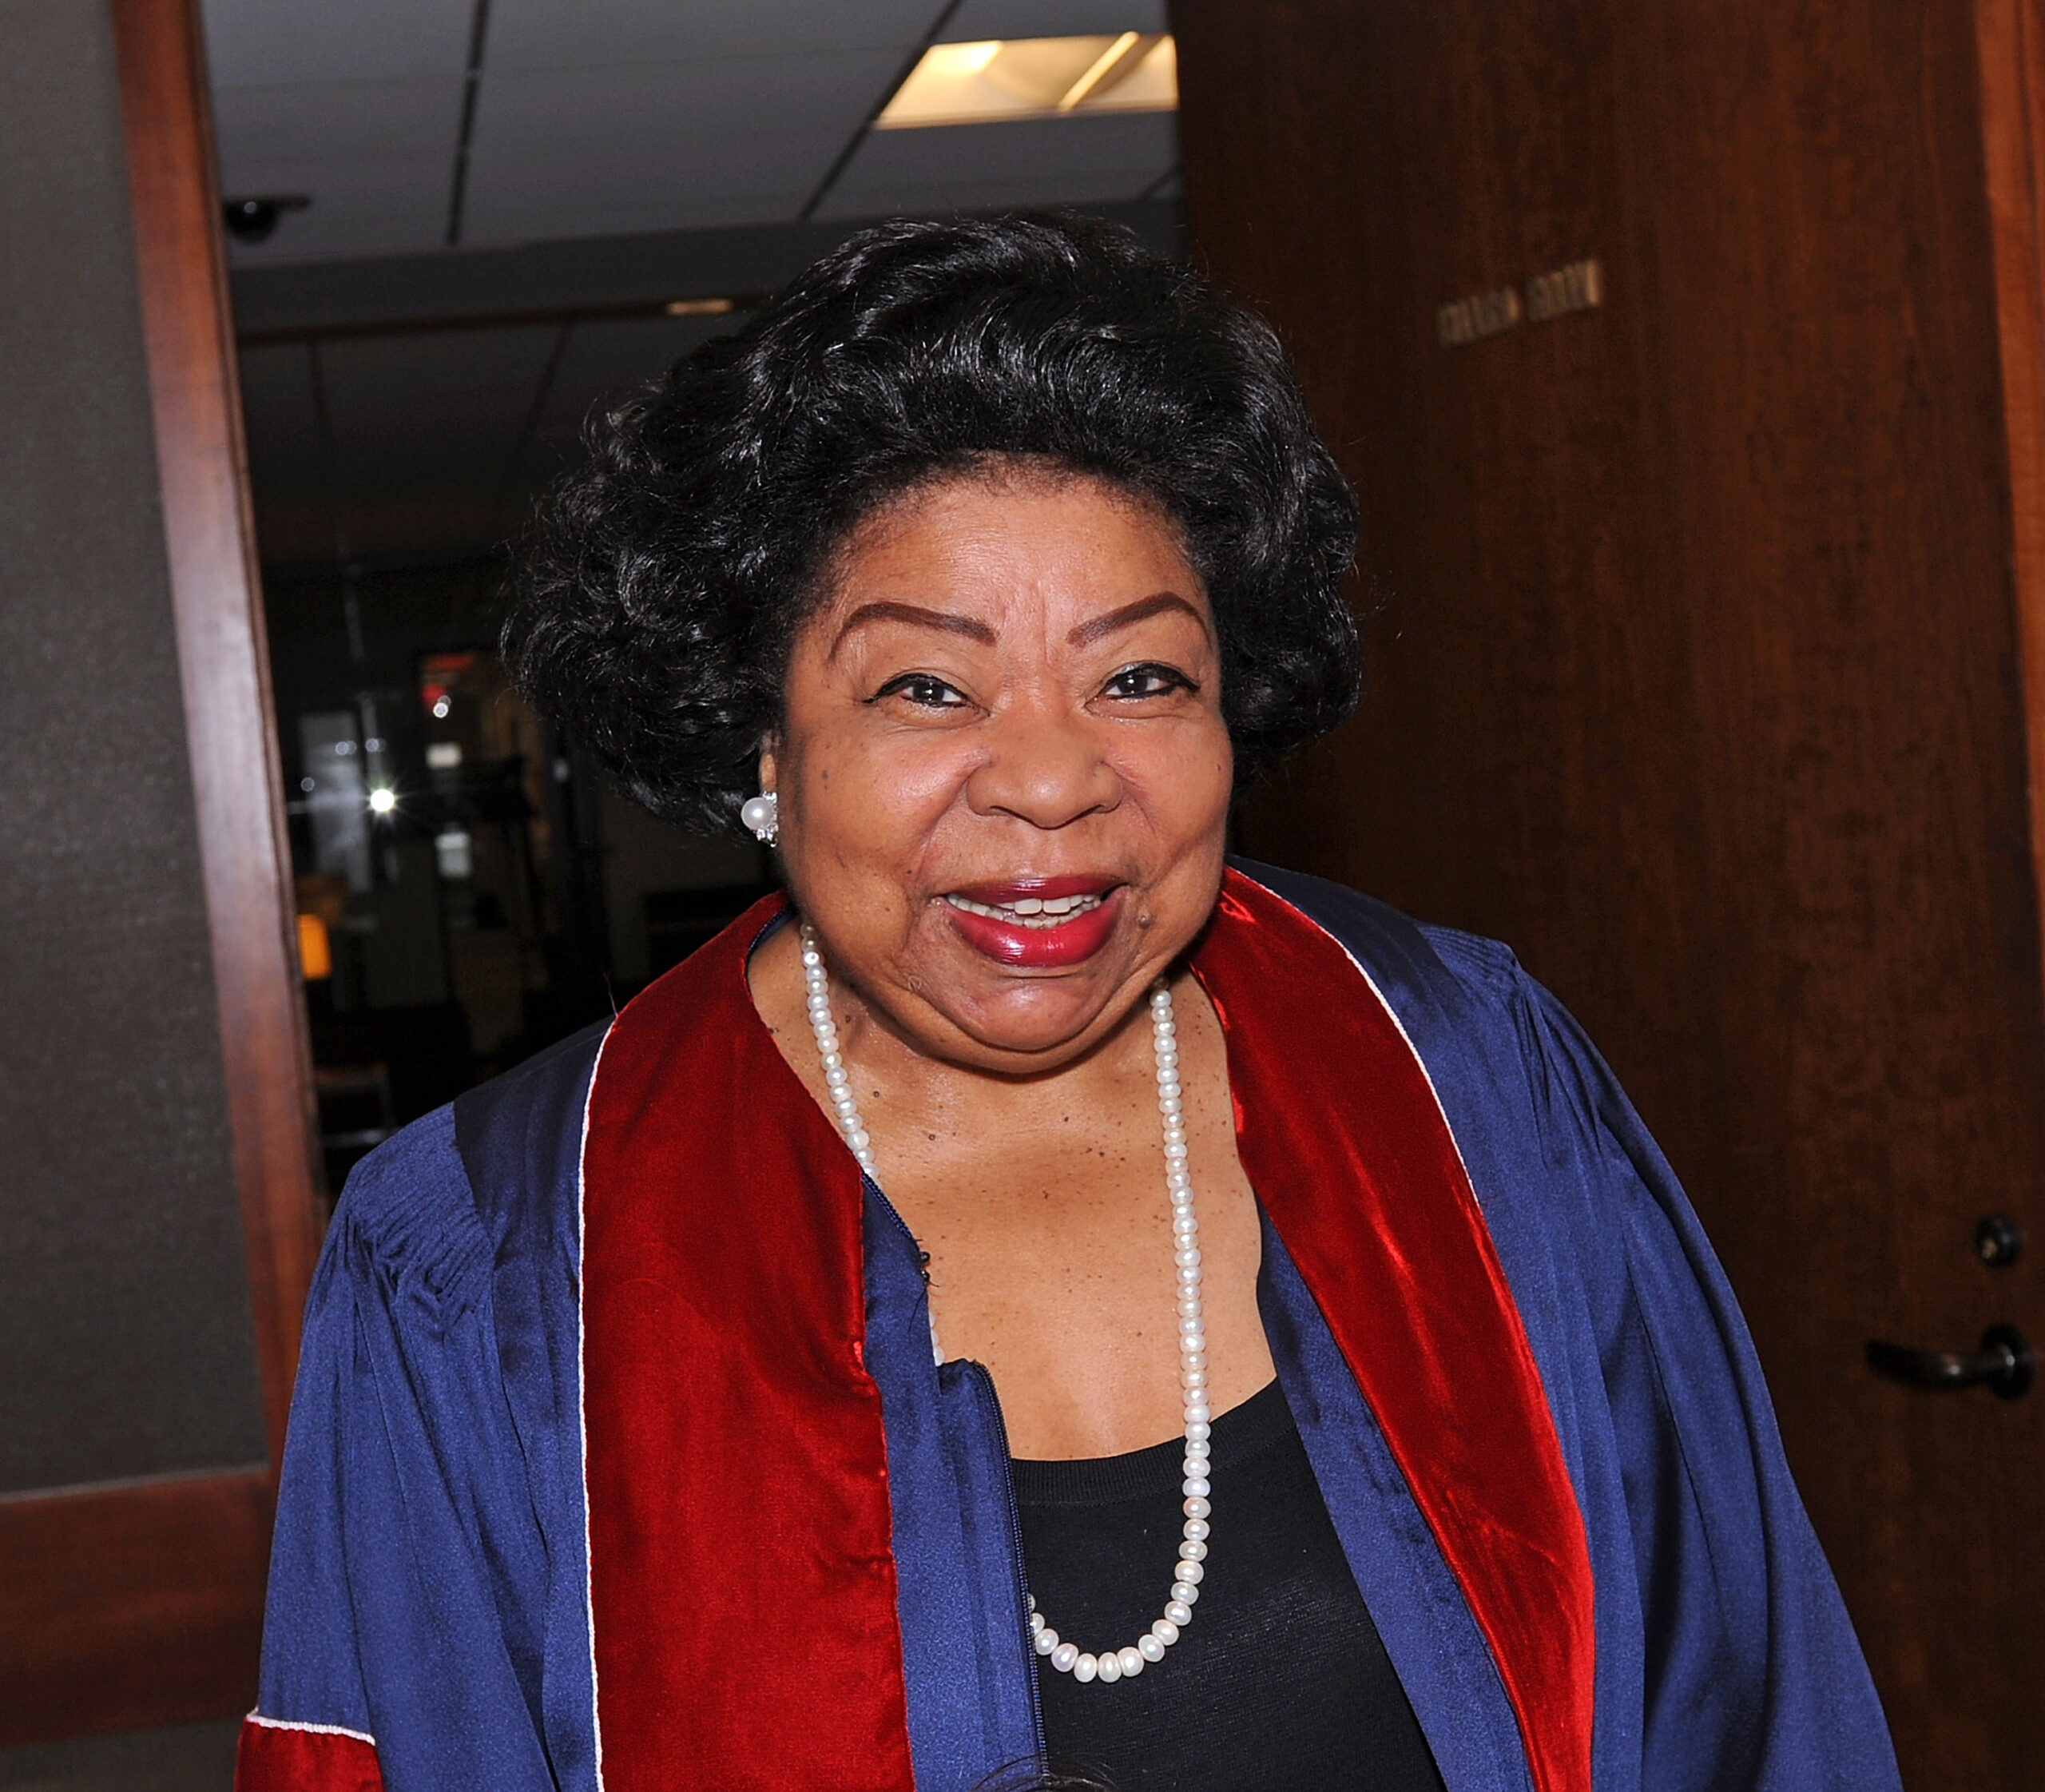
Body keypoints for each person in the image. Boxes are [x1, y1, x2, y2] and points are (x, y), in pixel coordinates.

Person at [236, 214, 1900, 1792]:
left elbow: (1748, 1714)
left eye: (1138, 677)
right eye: (926, 687)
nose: (1049, 781)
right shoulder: (496, 1258)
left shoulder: (1459, 1072)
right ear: (760, 732)